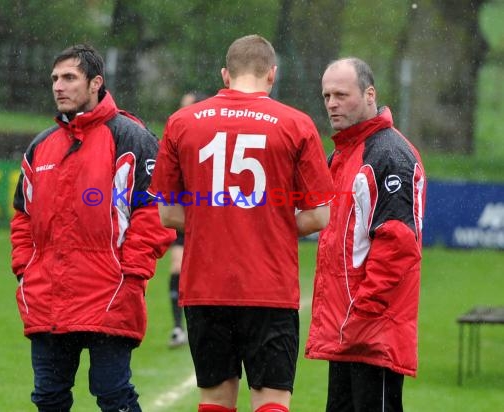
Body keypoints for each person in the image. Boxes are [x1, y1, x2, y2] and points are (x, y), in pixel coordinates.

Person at [151, 35, 334, 412]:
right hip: (268, 284)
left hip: (206, 284)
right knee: (271, 399)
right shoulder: (296, 125)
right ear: (272, 74)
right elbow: (319, 215)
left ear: (225, 74)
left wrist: (215, 218)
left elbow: (167, 214)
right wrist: (270, 221)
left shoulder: (182, 122)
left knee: (215, 399)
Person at [10, 44, 175, 412]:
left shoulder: (131, 138)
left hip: (110, 290)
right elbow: (22, 215)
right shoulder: (41, 146)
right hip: (47, 292)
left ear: (96, 83)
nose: (59, 87)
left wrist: (132, 271)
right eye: (55, 78)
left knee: (112, 394)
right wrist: (25, 267)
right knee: (49, 397)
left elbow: (155, 211)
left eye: (69, 77)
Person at [305, 57, 427, 412]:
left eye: (341, 94)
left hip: (373, 331)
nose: (331, 103)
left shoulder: (390, 155)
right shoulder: (342, 154)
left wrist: (361, 310)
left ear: (370, 94)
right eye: (326, 95)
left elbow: (398, 245)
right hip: (347, 329)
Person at [168, 90, 208, 348]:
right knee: (176, 266)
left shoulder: (206, 138)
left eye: (186, 107)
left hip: (211, 220)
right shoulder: (178, 136)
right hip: (186, 216)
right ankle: (177, 328)